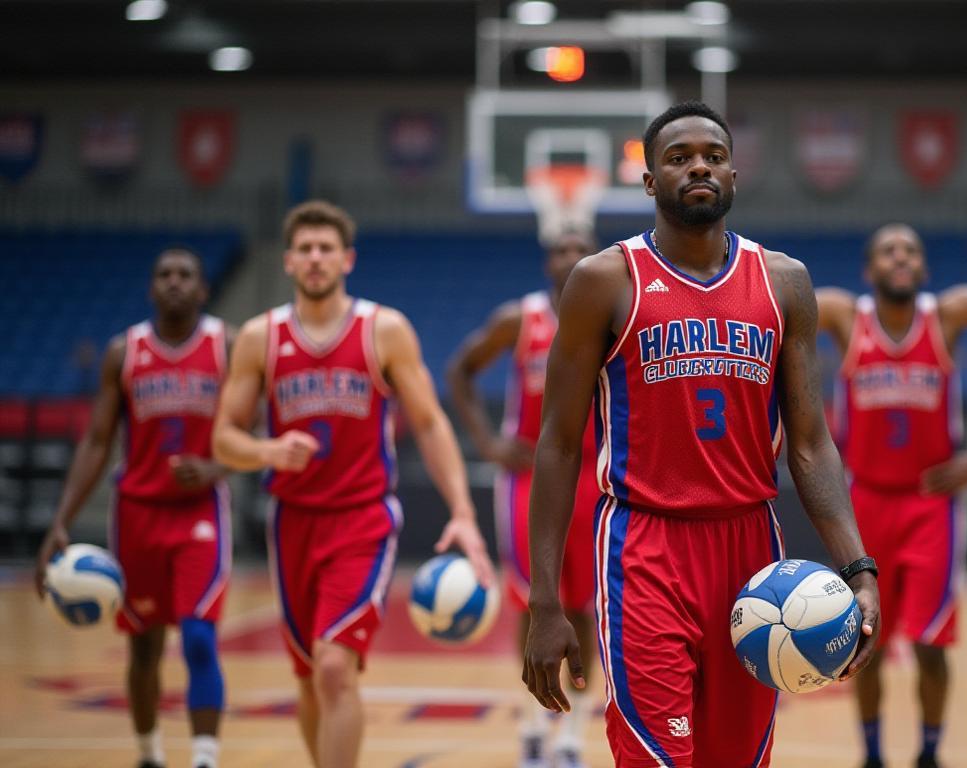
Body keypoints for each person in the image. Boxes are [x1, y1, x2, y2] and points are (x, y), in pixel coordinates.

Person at [521, 100, 881, 768]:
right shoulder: (603, 281)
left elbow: (809, 442)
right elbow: (559, 442)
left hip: (752, 553)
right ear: (650, 181)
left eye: (713, 156)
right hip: (643, 545)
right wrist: (546, 601)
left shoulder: (784, 282)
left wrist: (858, 568)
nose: (698, 167)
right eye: (678, 157)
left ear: (734, 177)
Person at [211, 200, 494, 768]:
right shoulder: (259, 338)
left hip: (363, 519)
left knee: (336, 667)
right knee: (312, 676)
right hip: (292, 522)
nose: (316, 258)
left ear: (347, 259)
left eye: (326, 249)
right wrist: (267, 451)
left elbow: (432, 424)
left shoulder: (382, 330)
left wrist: (463, 512)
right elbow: (222, 439)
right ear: (289, 261)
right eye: (306, 249)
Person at [816, 223, 967, 768]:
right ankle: (872, 755)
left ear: (924, 270)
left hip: (930, 506)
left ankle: (928, 753)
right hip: (865, 504)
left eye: (910, 251)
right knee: (864, 637)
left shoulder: (946, 315)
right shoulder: (842, 316)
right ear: (868, 270)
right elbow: (772, 303)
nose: (900, 258)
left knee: (931, 645)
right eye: (887, 251)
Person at [35, 247, 233, 768]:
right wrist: (62, 519)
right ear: (150, 289)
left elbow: (253, 430)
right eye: (164, 275)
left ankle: (206, 758)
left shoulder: (226, 345)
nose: (174, 282)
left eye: (185, 275)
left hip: (200, 512)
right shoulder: (124, 352)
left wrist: (216, 467)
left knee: (198, 636)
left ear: (202, 289)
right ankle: (149, 755)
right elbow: (98, 441)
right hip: (138, 515)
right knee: (144, 647)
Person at [447, 229, 600, 768]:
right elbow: (460, 371)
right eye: (560, 250)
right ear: (547, 263)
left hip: (593, 477)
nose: (569, 258)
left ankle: (575, 733)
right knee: (530, 599)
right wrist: (487, 441)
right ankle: (534, 723)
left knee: (584, 606)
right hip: (529, 477)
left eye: (580, 249)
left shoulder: (612, 317)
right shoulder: (521, 319)